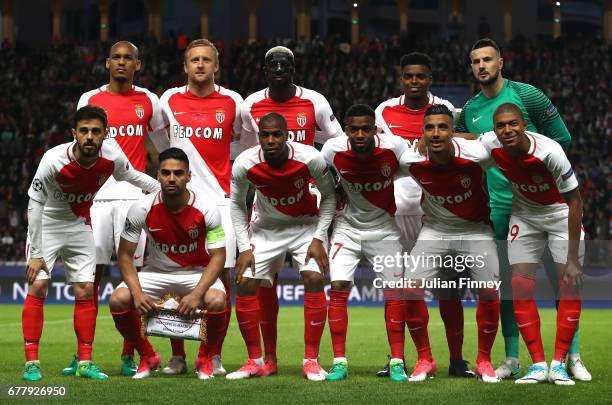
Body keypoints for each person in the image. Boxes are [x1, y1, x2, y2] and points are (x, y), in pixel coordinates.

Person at [455, 38, 590, 381]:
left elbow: (563, 140)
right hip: (503, 208)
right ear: (471, 67)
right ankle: (514, 356)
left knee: (564, 280)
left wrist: (531, 171)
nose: (482, 65)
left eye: (488, 59)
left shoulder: (527, 95)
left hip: (547, 202)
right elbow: (473, 145)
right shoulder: (469, 110)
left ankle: (570, 355)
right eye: (476, 61)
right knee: (511, 287)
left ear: (500, 62)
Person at [22, 105, 159, 381]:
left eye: (95, 132)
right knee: (39, 284)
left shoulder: (111, 155)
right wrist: (36, 253)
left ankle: (85, 362)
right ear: (74, 133)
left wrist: (159, 187)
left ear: (105, 134)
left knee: (85, 289)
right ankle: (31, 363)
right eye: (83, 131)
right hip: (47, 222)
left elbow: (129, 175)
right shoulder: (53, 160)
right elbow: (35, 205)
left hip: (79, 224)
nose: (89, 137)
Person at [65, 40, 167, 377]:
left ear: (137, 64)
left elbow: (162, 148)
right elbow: (79, 149)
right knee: (88, 278)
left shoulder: (149, 101)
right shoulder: (90, 100)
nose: (122, 63)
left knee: (132, 281)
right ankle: (84, 356)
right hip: (94, 200)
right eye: (117, 58)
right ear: (107, 63)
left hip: (133, 200)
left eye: (129, 59)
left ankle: (131, 355)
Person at [239, 46, 343, 375]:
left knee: (313, 276)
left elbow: (337, 142)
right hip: (267, 213)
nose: (280, 68)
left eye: (286, 63)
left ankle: (311, 359)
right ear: (264, 69)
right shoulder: (250, 104)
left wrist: (325, 177)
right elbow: (246, 152)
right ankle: (264, 360)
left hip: (307, 209)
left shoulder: (315, 101)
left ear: (295, 68)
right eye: (273, 64)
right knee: (254, 282)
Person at [375, 52, 474, 378]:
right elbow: (378, 155)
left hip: (435, 212)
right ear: (401, 78)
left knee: (449, 289)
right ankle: (399, 360)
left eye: (420, 76)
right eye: (409, 76)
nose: (414, 81)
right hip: (395, 212)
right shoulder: (384, 111)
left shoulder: (444, 108)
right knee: (398, 289)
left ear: (429, 79)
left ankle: (457, 360)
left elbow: (458, 146)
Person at [479, 103, 584, 385]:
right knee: (519, 287)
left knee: (570, 285)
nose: (507, 130)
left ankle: (560, 363)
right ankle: (538, 365)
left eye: (512, 124)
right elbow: (466, 140)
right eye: (501, 126)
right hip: (525, 216)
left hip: (559, 214)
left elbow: (575, 202)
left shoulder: (549, 151)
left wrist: (573, 259)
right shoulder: (491, 142)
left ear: (524, 124)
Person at [228, 112, 336, 381]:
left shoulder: (310, 157)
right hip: (266, 227)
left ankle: (311, 359)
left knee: (313, 276)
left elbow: (331, 197)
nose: (271, 140)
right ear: (259, 137)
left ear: (287, 135)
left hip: (305, 225)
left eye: (277, 134)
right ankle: (257, 360)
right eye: (265, 135)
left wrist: (319, 238)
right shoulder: (245, 163)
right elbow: (236, 204)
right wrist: (244, 248)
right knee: (245, 282)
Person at [399, 104, 501, 383]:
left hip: (476, 231)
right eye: (430, 127)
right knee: (410, 291)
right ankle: (425, 360)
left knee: (490, 293)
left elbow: (500, 137)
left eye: (443, 127)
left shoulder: (478, 155)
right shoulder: (410, 160)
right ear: (422, 132)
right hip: (435, 231)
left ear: (452, 131)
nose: (436, 133)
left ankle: (484, 361)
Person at [159, 38, 243, 376]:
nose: (200, 65)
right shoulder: (168, 100)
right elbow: (163, 146)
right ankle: (177, 355)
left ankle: (213, 355)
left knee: (222, 283)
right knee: (171, 280)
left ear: (216, 65)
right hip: (178, 205)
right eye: (194, 59)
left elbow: (241, 143)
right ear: (185, 65)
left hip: (221, 202)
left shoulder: (233, 101)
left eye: (206, 60)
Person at [109, 147, 227, 380]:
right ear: (158, 176)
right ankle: (147, 355)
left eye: (178, 173)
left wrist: (197, 293)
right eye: (165, 173)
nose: (171, 178)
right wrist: (137, 293)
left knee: (217, 300)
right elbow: (124, 254)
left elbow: (219, 255)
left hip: (196, 272)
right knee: (118, 300)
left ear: (188, 176)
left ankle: (204, 359)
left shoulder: (207, 209)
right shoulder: (141, 208)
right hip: (156, 272)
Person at [321, 104, 409, 382]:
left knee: (394, 292)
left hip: (384, 230)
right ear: (346, 130)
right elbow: (322, 180)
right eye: (353, 129)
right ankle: (339, 362)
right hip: (346, 230)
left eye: (365, 129)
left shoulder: (395, 148)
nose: (359, 134)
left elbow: (417, 170)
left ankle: (397, 361)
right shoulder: (332, 151)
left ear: (375, 129)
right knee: (338, 288)